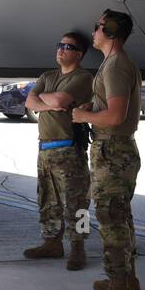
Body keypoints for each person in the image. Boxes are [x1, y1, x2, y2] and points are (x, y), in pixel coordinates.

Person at [71, 10, 143, 290]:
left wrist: (83, 115)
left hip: (112, 153)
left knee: (111, 219)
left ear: (110, 31)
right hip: (115, 151)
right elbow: (111, 108)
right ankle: (127, 280)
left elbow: (115, 116)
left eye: (98, 27)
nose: (94, 32)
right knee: (121, 217)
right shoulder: (114, 64)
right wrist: (94, 107)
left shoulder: (115, 67)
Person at [22, 31, 94, 270]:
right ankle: (52, 243)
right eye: (60, 45)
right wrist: (46, 101)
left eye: (68, 47)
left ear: (79, 54)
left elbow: (62, 100)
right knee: (47, 200)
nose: (61, 49)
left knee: (77, 203)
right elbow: (29, 102)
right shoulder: (47, 76)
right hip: (45, 149)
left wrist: (44, 99)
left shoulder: (83, 77)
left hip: (69, 149)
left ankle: (78, 247)